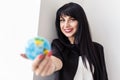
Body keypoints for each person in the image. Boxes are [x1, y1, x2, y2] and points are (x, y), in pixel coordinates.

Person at [21, 2, 108, 80]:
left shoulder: (97, 49)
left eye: (72, 19)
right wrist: (50, 64)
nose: (66, 25)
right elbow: (56, 61)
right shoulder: (58, 45)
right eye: (62, 20)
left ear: (81, 22)